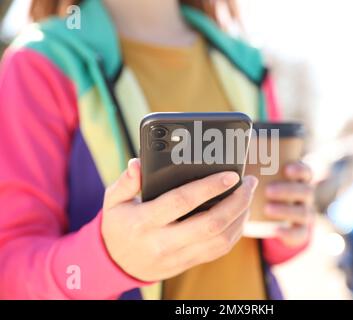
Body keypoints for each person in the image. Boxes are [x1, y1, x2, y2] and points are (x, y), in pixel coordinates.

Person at [0, 0, 314, 299]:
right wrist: (108, 258)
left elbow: (266, 243)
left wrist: (291, 225)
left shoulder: (248, 64)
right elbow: (10, 270)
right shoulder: (40, 64)